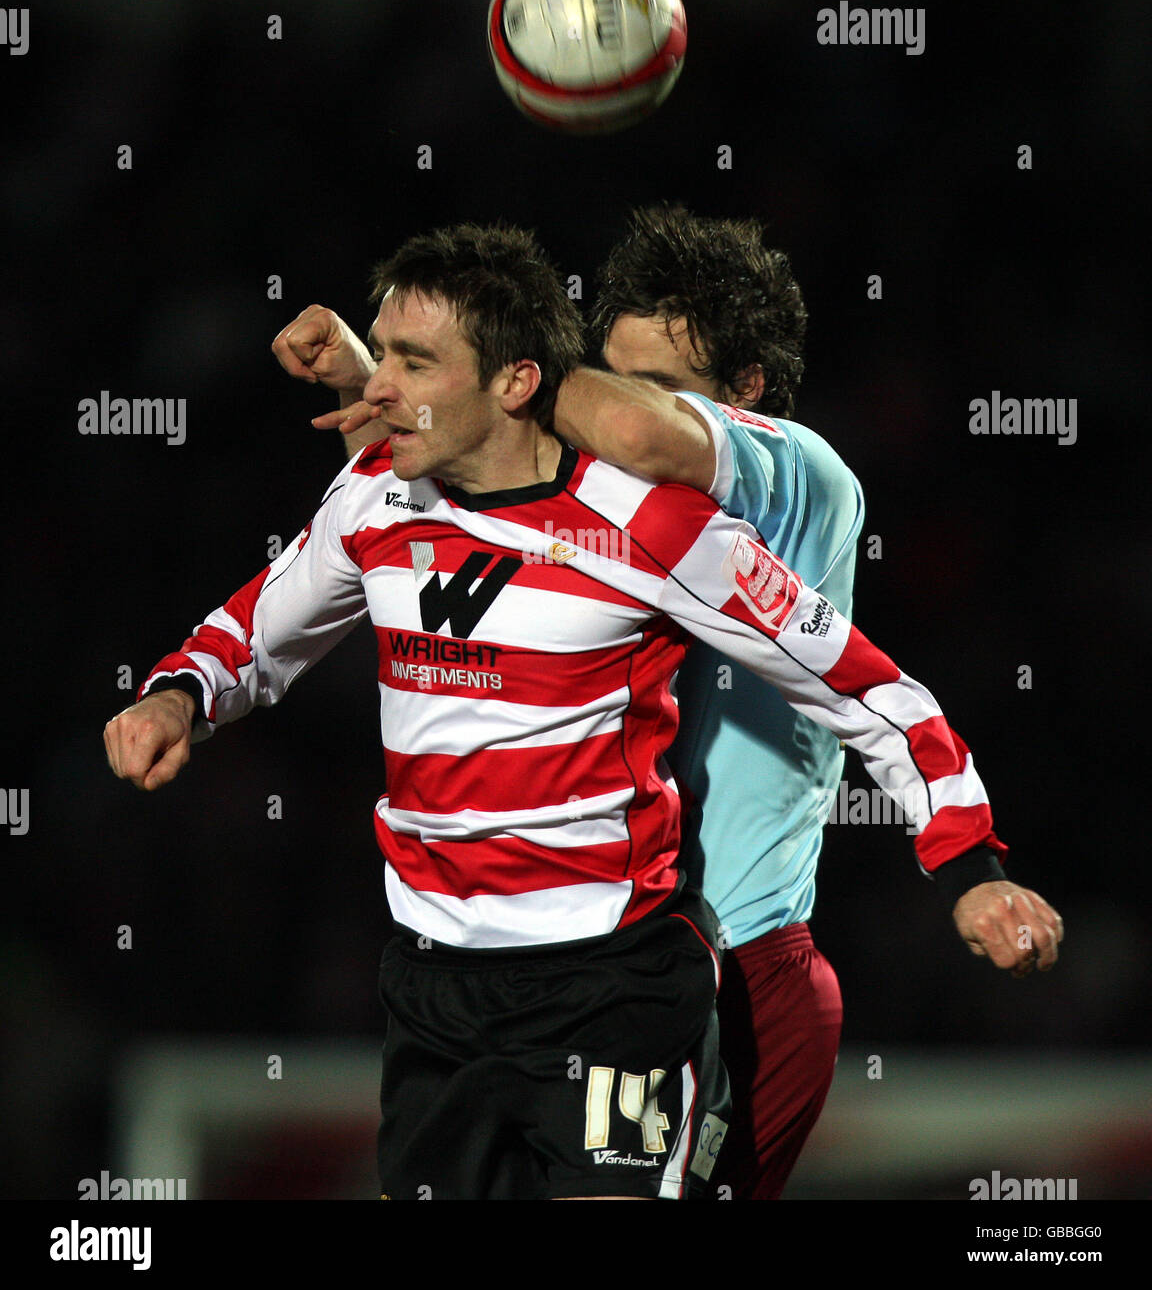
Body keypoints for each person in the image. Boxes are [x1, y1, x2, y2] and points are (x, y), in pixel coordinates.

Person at [283, 207, 1065, 1200]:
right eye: (608, 370)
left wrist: (482, 366)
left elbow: (633, 429)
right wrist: (406, 387)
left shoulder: (793, 469)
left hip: (737, 976)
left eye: (651, 380)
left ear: (743, 394)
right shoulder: (597, 512)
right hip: (587, 967)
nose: (608, 409)